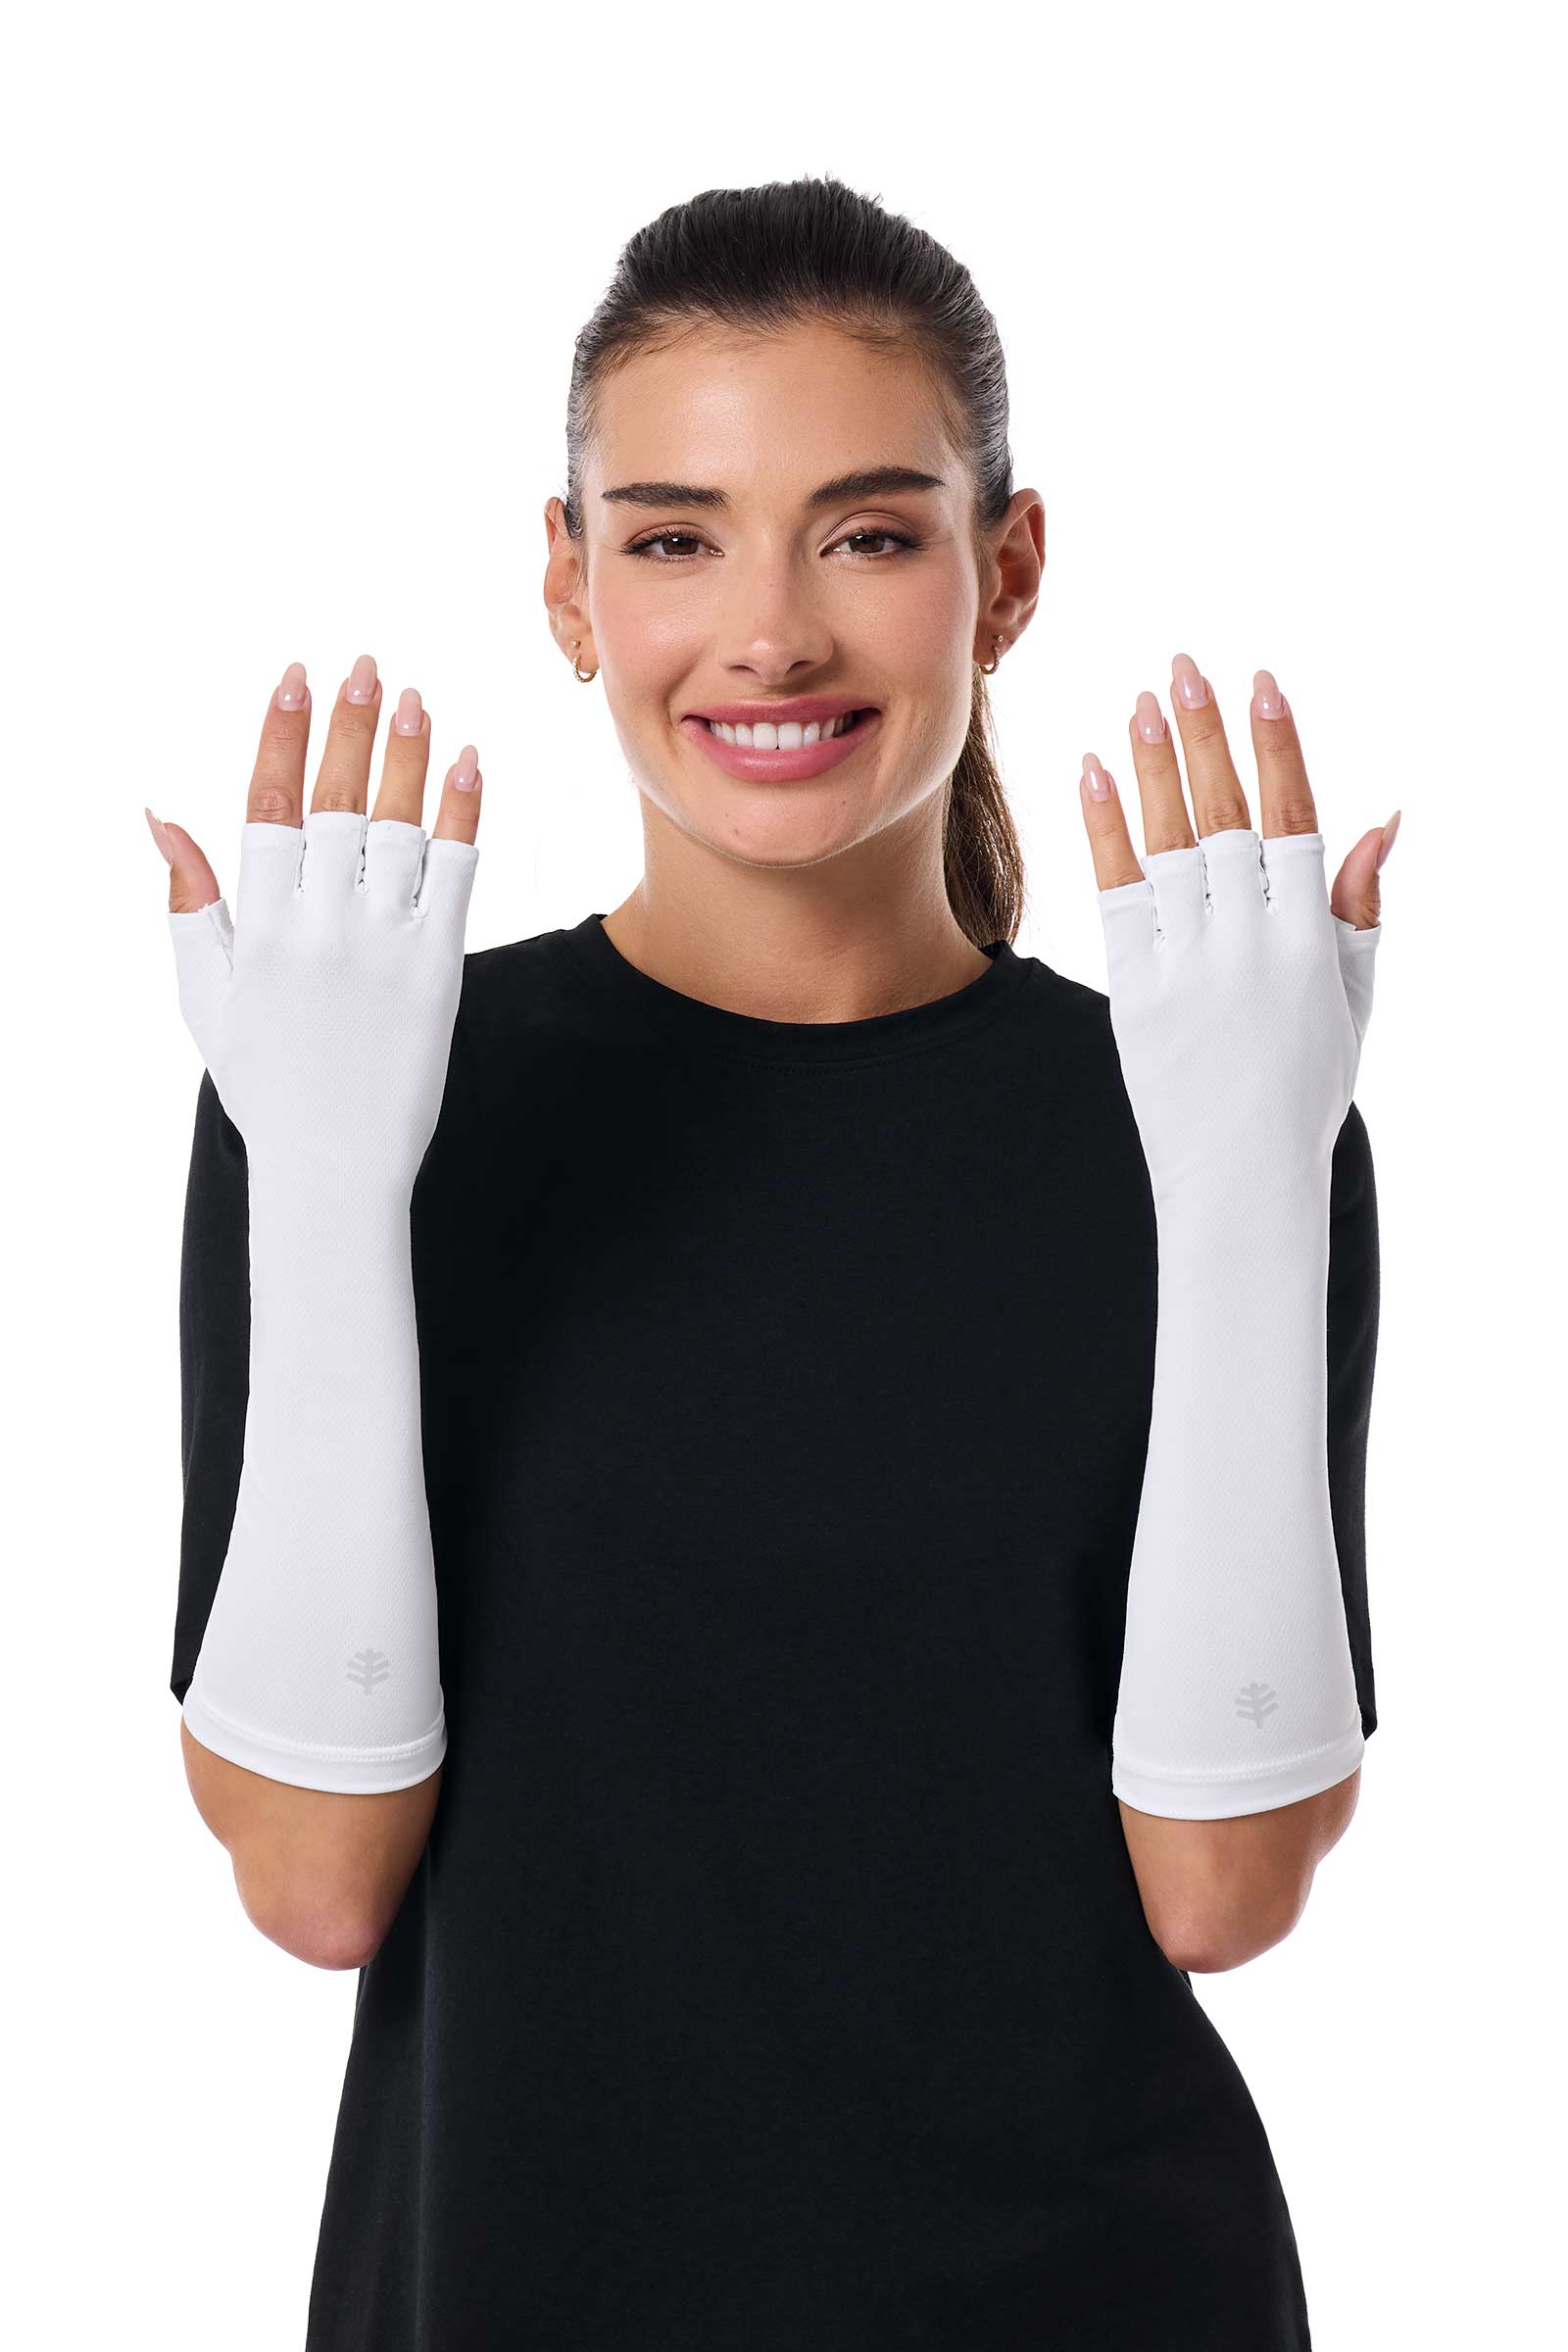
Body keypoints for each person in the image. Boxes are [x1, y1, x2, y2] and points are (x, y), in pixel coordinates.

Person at [152, 176, 1397, 2350]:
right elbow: (316, 1881)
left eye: (869, 535)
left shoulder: (1208, 1105)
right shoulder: (362, 1085)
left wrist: (1242, 1188)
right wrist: (334, 1186)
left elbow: (1222, 1890)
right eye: (672, 539)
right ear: (568, 585)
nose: (771, 635)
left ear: (1007, 571)